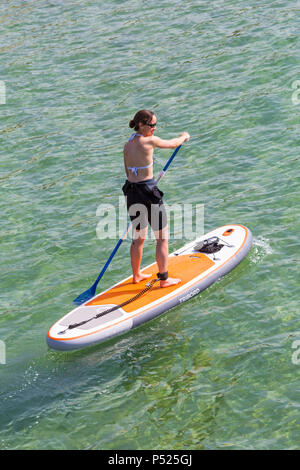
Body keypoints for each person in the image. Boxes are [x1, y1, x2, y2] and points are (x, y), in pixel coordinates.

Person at [122, 109, 190, 288]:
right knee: (162, 238)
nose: (155, 129)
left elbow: (128, 171)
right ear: (141, 125)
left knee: (139, 238)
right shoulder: (149, 141)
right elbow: (173, 144)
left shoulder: (128, 144)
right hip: (148, 192)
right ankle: (164, 279)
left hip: (132, 192)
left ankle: (136, 275)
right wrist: (184, 136)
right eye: (152, 125)